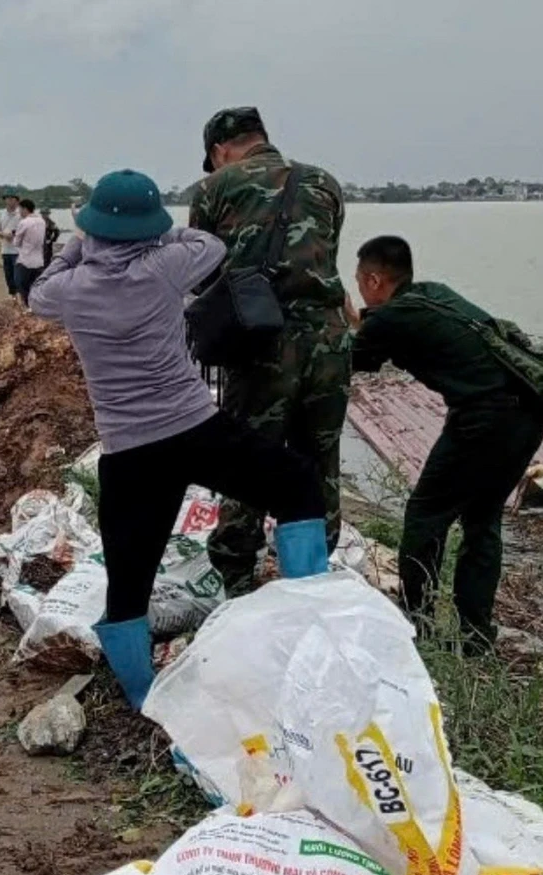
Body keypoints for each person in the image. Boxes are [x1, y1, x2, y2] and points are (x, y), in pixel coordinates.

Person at [30, 169, 328, 709]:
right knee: (297, 483)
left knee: (128, 586)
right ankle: (313, 613)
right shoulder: (165, 268)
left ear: (93, 228)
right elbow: (209, 244)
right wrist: (157, 235)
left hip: (128, 454)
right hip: (196, 430)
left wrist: (78, 244)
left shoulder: (69, 291)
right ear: (149, 230)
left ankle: (145, 699)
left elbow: (38, 292)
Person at [348, 236, 543, 655]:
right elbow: (397, 326)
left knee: (424, 518)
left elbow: (354, 358)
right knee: (482, 521)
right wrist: (361, 320)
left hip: (483, 420)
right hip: (527, 415)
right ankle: (476, 638)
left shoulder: (390, 320)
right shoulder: (433, 294)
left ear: (373, 279)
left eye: (360, 281)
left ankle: (416, 627)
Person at [190, 106, 351, 595]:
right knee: (318, 460)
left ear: (219, 151)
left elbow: (201, 272)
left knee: (248, 460)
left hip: (260, 344)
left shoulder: (213, 189)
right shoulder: (325, 183)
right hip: (329, 341)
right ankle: (311, 576)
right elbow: (326, 262)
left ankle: (237, 583)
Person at [12, 198, 46, 301]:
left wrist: (14, 236)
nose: (19, 212)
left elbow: (16, 243)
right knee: (35, 289)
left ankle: (26, 309)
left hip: (25, 261)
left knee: (22, 288)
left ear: (25, 209)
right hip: (39, 261)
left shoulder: (24, 222)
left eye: (20, 209)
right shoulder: (42, 221)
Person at [0, 193, 20, 296]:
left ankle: (21, 301)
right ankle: (13, 300)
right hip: (5, 250)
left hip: (18, 251)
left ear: (17, 201)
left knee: (18, 278)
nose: (9, 201)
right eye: (7, 199)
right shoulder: (1, 213)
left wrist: (13, 234)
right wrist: (4, 235)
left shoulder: (20, 214)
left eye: (12, 198)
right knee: (9, 278)